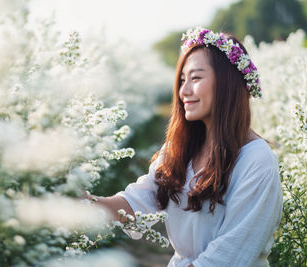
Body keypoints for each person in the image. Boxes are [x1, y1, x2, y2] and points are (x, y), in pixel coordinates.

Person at [86, 27, 283, 267]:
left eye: (196, 78)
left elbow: (227, 257)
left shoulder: (257, 160)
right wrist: (78, 202)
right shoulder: (180, 148)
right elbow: (135, 203)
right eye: (182, 80)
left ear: (226, 84)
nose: (183, 91)